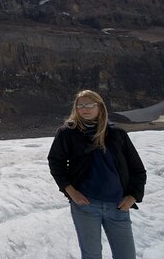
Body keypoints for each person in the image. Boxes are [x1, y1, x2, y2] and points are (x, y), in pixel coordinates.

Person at [47, 90, 146, 259]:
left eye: (89, 104)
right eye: (80, 105)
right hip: (86, 206)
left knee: (126, 255)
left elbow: (137, 169)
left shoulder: (117, 134)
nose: (85, 109)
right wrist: (71, 191)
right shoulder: (67, 133)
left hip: (118, 206)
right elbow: (56, 163)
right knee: (91, 255)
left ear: (99, 107)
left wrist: (133, 196)